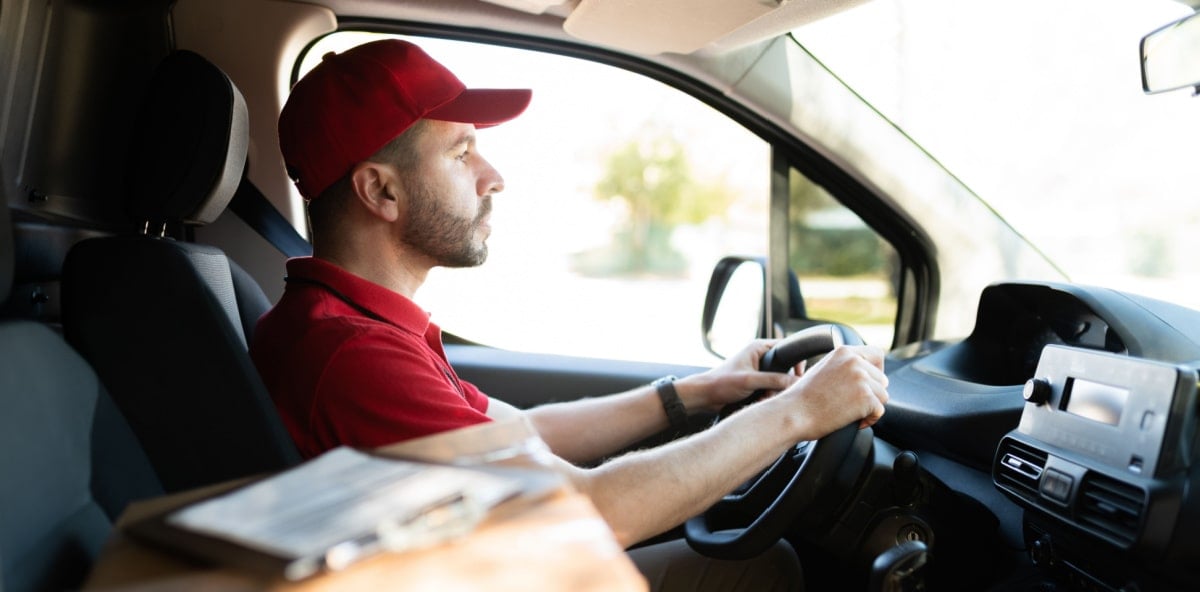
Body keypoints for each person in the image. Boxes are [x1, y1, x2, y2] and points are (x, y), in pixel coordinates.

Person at [251, 39, 890, 591]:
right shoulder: (351, 354)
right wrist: (800, 411)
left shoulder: (349, 325)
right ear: (380, 190)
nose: (492, 176)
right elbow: (594, 512)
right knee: (761, 570)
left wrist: (700, 390)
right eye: (461, 153)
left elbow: (523, 432)